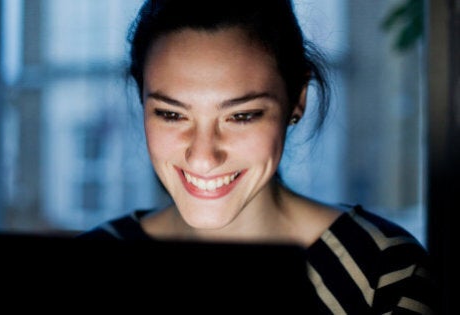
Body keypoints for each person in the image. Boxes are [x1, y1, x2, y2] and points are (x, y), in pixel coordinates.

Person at [77, 0, 437, 313]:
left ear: (297, 100)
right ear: (142, 101)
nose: (203, 157)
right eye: (171, 114)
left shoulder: (385, 273)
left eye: (241, 115)